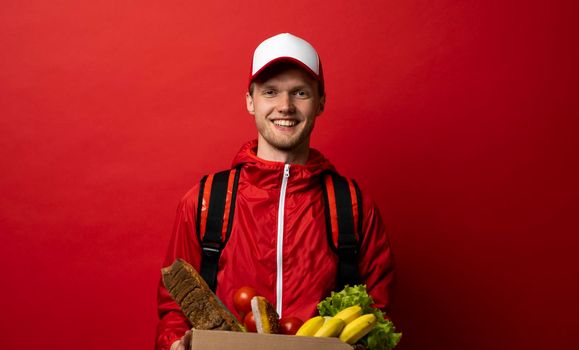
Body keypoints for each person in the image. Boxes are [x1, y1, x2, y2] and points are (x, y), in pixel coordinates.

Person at [156, 33, 395, 350]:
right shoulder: (206, 200)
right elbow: (174, 308)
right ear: (250, 101)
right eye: (271, 92)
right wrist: (175, 344)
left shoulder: (352, 206)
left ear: (320, 101)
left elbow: (376, 313)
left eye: (300, 93)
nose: (285, 106)